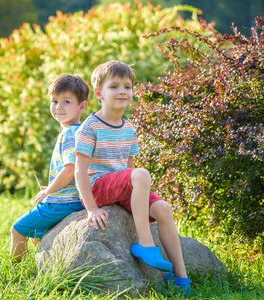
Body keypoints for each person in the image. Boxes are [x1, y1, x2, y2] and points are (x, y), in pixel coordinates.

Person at [74, 60, 191, 294]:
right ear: (99, 93)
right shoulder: (90, 127)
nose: (122, 91)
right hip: (98, 186)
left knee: (164, 209)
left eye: (127, 87)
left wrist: (138, 201)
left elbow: (130, 170)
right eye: (114, 86)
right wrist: (92, 209)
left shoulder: (129, 128)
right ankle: (145, 244)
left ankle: (181, 277)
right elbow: (79, 171)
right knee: (141, 174)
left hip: (121, 186)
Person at [10, 74, 89, 261]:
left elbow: (70, 170)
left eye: (66, 101)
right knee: (37, 235)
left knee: (18, 229)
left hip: (63, 203)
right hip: (71, 198)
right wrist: (53, 187)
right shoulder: (78, 131)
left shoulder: (70, 134)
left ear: (82, 106)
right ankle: (44, 263)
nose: (59, 107)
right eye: (54, 101)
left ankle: (14, 271)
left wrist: (49, 193)